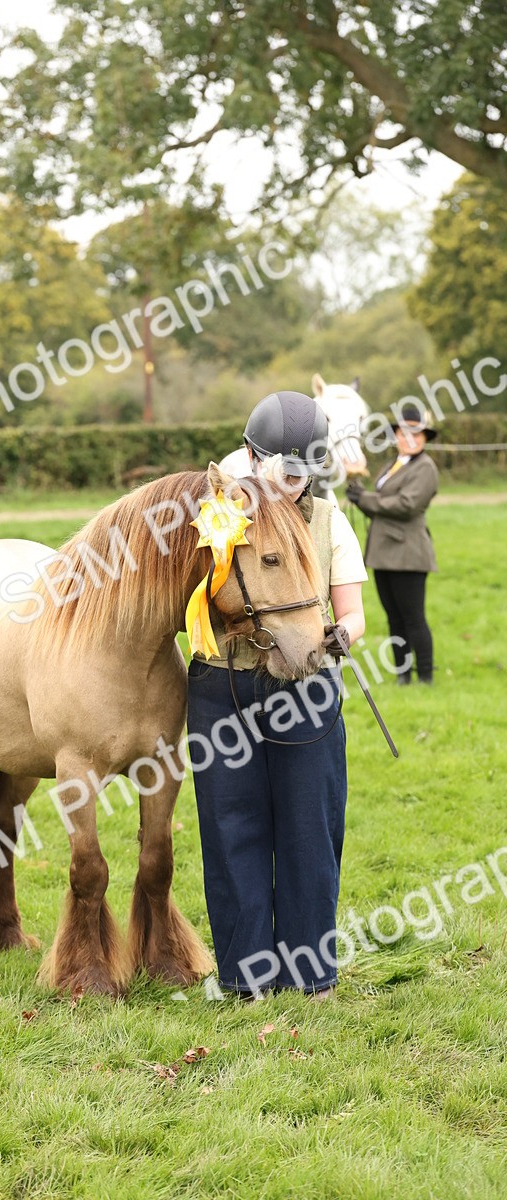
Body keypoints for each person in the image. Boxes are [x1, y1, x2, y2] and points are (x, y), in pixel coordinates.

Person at [187, 391, 367, 998]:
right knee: (230, 827)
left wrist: (341, 634)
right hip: (224, 685)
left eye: (305, 474)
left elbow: (354, 610)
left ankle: (311, 972)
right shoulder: (214, 512)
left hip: (305, 691)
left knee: (310, 829)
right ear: (251, 454)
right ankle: (244, 976)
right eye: (285, 472)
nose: (295, 485)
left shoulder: (327, 517)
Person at [346, 404, 438, 685]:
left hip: (408, 554)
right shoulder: (392, 465)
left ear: (423, 437)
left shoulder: (426, 468)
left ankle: (424, 677)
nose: (410, 438)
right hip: (383, 554)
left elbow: (406, 505)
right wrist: (358, 497)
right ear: (396, 435)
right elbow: (380, 509)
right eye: (404, 432)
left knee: (413, 618)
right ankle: (402, 676)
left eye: (416, 433)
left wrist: (366, 498)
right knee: (394, 618)